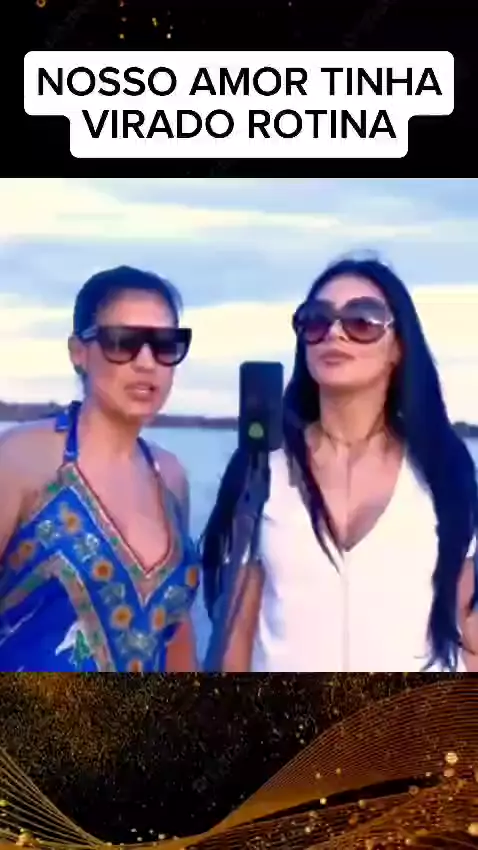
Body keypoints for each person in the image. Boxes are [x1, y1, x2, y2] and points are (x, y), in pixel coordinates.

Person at [202, 257, 478, 673]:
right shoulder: (262, 467)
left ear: (398, 348)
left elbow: (469, 632)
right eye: (316, 320)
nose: (334, 333)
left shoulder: (444, 469)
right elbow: (235, 637)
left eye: (362, 321)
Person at [0, 266, 200, 672]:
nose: (147, 362)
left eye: (165, 345)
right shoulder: (24, 460)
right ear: (79, 352)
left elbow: (175, 634)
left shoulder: (170, 477)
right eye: (123, 342)